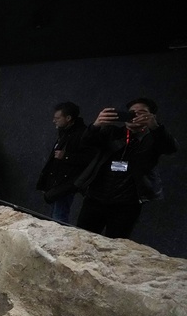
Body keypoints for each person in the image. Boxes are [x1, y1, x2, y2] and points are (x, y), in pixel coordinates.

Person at [75, 99, 177, 239]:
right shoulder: (111, 132)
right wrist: (96, 125)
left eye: (141, 113)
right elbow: (85, 143)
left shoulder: (153, 138)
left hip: (126, 205)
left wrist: (156, 127)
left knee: (116, 245)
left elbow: (171, 148)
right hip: (95, 199)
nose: (135, 116)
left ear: (152, 116)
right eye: (131, 113)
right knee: (82, 237)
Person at [35, 102, 91, 224]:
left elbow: (88, 159)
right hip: (56, 182)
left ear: (68, 118)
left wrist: (66, 157)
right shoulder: (64, 132)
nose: (54, 121)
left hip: (66, 184)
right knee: (55, 215)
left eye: (57, 118)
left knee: (59, 216)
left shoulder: (83, 134)